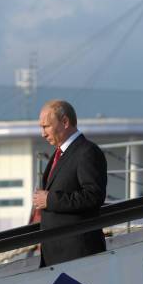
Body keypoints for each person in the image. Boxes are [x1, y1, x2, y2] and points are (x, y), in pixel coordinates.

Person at [32, 100, 107, 266]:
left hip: (78, 255)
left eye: (46, 126)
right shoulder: (61, 154)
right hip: (58, 255)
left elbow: (93, 196)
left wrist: (49, 200)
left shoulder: (87, 152)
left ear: (65, 122)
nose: (43, 134)